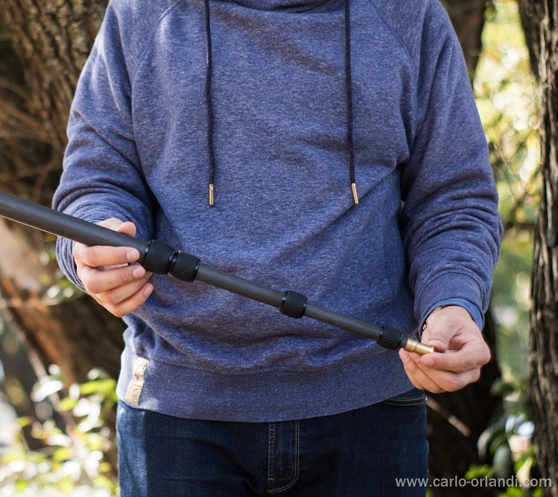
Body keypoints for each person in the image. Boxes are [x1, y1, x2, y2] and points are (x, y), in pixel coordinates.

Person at [52, 0, 502, 494]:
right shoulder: (143, 14)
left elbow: (453, 199)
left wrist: (453, 300)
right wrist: (91, 247)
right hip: (178, 413)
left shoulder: (408, 16)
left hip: (370, 408)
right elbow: (95, 182)